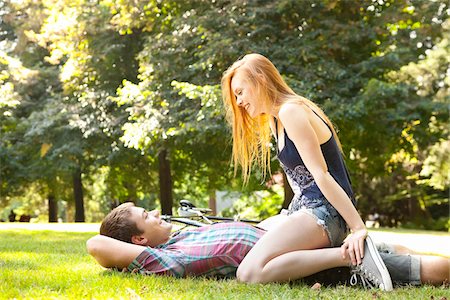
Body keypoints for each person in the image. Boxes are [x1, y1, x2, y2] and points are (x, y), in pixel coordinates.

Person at [221, 53, 390, 288]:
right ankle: (370, 253)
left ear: (260, 79)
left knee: (248, 273)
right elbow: (301, 183)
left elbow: (321, 175)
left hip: (325, 212)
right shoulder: (275, 119)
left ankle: (352, 256)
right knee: (253, 241)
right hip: (306, 209)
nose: (238, 101)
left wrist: (358, 227)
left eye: (240, 91)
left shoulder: (292, 111)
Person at [86, 203, 449, 287]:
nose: (153, 211)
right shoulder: (165, 259)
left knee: (397, 248)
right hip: (314, 260)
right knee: (424, 270)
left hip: (303, 235)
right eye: (143, 215)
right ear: (138, 240)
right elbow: (96, 244)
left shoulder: (184, 234)